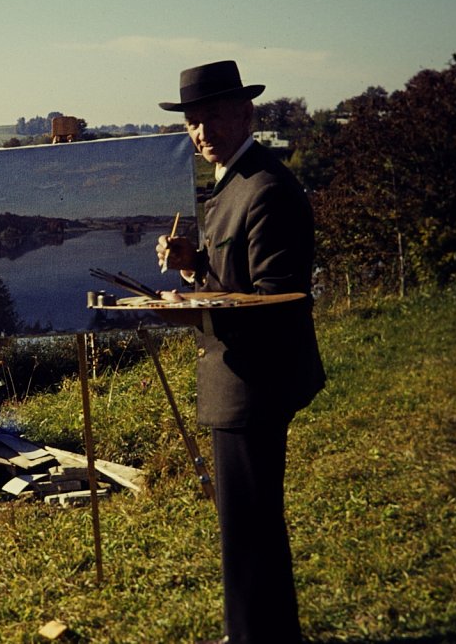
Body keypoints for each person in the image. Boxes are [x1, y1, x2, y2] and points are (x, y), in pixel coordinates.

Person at [155, 60, 326, 644]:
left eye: (212, 118)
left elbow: (276, 301)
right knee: (245, 521)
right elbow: (234, 275)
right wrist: (193, 264)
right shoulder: (233, 180)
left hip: (256, 380)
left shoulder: (266, 187)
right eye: (192, 123)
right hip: (236, 376)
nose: (202, 133)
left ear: (246, 113)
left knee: (249, 523)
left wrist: (185, 306)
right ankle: (264, 633)